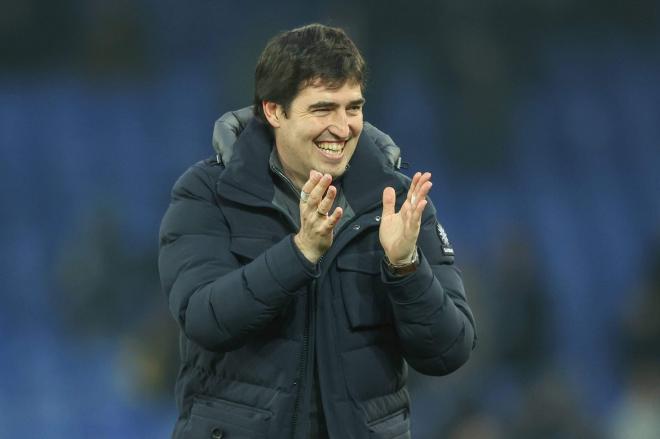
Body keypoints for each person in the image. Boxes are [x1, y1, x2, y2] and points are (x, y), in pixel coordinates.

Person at [159, 23, 476, 439]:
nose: (343, 128)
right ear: (274, 110)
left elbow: (449, 351)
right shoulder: (208, 195)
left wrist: (405, 268)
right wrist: (300, 252)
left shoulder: (396, 201)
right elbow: (206, 318)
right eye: (323, 109)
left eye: (354, 108)